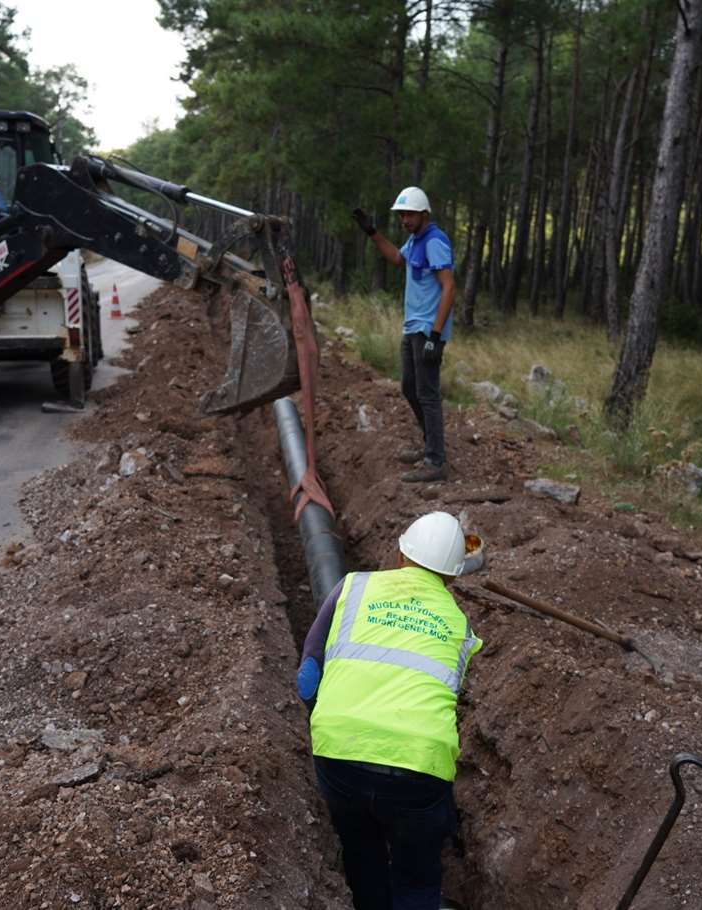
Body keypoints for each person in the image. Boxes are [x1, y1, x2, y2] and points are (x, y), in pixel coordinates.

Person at [297, 511, 481, 910]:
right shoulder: (460, 626)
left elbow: (307, 679)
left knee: (363, 857)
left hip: (340, 756)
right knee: (417, 879)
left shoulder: (352, 587)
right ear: (452, 577)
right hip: (419, 769)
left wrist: (331, 717)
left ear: (400, 553)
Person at [353, 188, 456, 483]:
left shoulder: (435, 241)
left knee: (427, 394)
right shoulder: (416, 240)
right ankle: (429, 446)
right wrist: (372, 232)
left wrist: (435, 337)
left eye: (409, 214)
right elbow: (398, 259)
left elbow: (449, 288)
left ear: (424, 213)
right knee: (409, 388)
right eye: (401, 215)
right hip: (412, 326)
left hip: (427, 329)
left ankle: (435, 462)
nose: (405, 220)